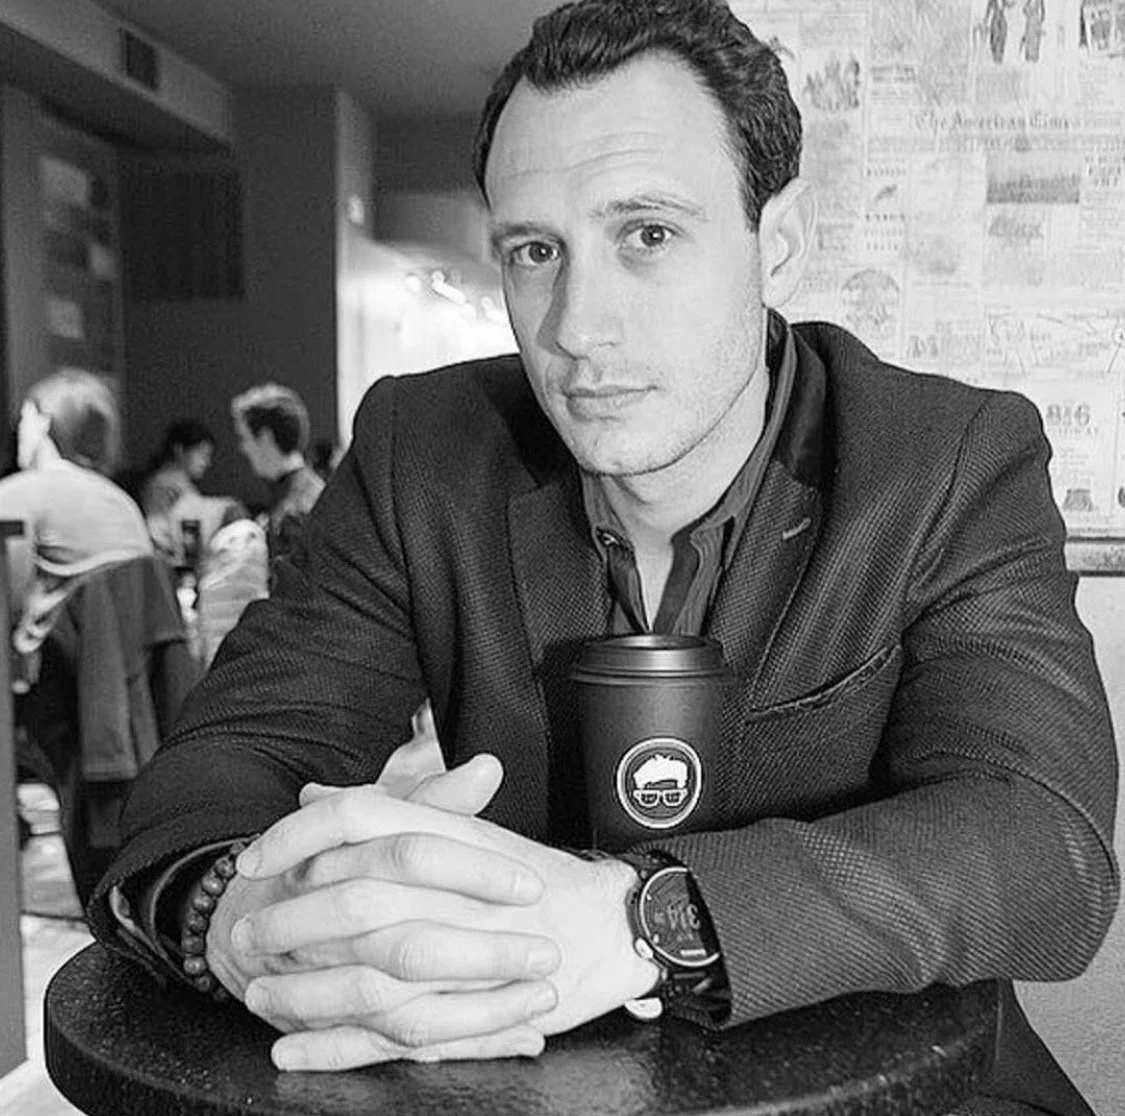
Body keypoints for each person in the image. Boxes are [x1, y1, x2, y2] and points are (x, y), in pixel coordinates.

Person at [90, 3, 1117, 1112]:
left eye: (649, 235)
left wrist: (639, 922)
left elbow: (1040, 843)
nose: (578, 327)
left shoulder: (946, 458)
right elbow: (222, 764)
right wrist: (240, 915)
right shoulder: (417, 452)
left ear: (776, 241)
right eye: (536, 252)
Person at [0, 369, 152, 658]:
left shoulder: (17, 495)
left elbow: (8, 605)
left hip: (42, 674)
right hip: (125, 673)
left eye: (24, 419)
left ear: (43, 422)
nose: (18, 431)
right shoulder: (125, 505)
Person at [229, 383, 324, 563]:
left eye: (244, 438)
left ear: (266, 437)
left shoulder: (294, 511)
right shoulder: (308, 491)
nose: (243, 448)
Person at [139, 419, 216, 522]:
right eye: (201, 454)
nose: (206, 462)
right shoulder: (164, 486)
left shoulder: (181, 485)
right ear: (180, 450)